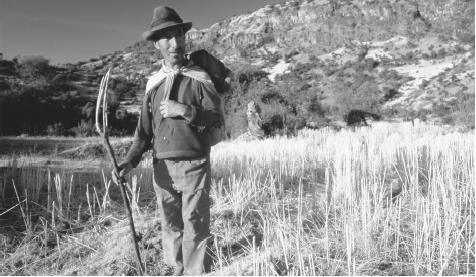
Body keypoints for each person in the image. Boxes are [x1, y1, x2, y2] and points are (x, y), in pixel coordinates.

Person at [113, 6, 225, 275]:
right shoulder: (153, 84)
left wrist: (184, 110)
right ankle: (176, 269)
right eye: (166, 38)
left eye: (178, 35)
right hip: (161, 166)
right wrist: (128, 162)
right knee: (170, 224)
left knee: (195, 222)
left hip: (194, 163)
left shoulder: (200, 77)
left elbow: (216, 120)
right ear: (156, 45)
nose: (174, 43)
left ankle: (196, 272)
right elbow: (143, 133)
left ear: (185, 38)